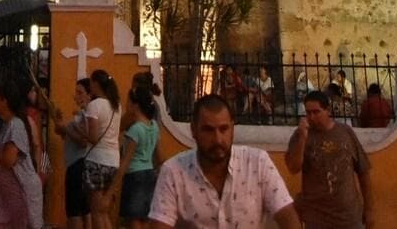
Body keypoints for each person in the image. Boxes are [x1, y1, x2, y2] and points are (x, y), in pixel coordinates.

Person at [146, 95, 301, 229]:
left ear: (232, 128)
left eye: (223, 129)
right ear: (193, 130)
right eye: (208, 130)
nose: (218, 139)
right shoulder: (173, 171)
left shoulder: (257, 163)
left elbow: (287, 216)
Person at [286, 89, 371, 229]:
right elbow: (293, 168)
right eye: (308, 113)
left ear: (328, 111)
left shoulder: (345, 133)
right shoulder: (301, 135)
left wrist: (370, 210)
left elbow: (364, 171)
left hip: (349, 218)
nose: (311, 117)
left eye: (316, 112)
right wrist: (302, 138)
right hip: (317, 220)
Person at [68, 70, 121, 229]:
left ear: (96, 84)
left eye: (91, 83)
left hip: (97, 161)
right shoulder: (116, 105)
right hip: (113, 161)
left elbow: (92, 137)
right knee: (103, 212)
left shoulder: (95, 105)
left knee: (96, 212)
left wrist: (76, 127)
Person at [0, 90, 42, 229]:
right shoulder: (6, 124)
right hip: (7, 194)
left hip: (21, 191)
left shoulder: (16, 125)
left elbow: (9, 160)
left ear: (5, 101)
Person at [117, 82, 160, 229]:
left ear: (135, 105)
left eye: (128, 101)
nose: (126, 104)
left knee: (134, 219)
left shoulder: (135, 130)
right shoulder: (153, 126)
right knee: (145, 218)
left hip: (134, 175)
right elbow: (157, 154)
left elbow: (126, 161)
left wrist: (114, 186)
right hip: (149, 172)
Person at [61, 79, 93, 229]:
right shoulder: (83, 115)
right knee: (85, 209)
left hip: (78, 164)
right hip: (77, 163)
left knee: (75, 211)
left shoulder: (87, 115)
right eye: (76, 93)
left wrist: (65, 129)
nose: (77, 96)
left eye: (80, 93)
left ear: (89, 95)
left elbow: (83, 141)